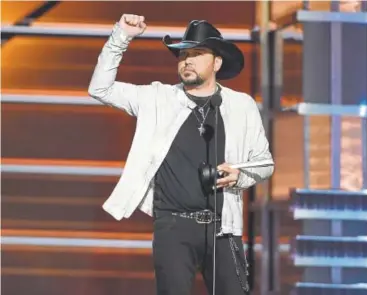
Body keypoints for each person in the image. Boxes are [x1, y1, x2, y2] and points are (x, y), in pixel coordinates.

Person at [88, 14, 274, 295]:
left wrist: (240, 177)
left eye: (197, 54)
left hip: (224, 227)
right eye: (183, 55)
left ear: (217, 62)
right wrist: (120, 37)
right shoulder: (157, 98)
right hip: (173, 226)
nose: (187, 60)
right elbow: (100, 88)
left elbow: (265, 164)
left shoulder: (241, 105)